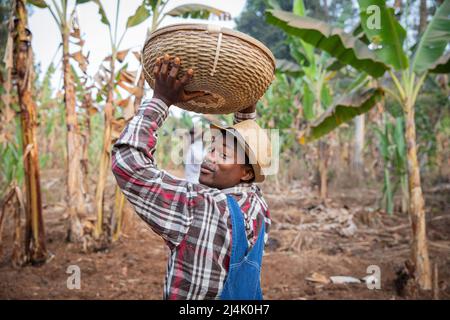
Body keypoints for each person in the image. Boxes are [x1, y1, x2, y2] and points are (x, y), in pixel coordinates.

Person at [111, 54, 272, 300]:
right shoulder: (257, 204)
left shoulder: (200, 206)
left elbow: (128, 162)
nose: (209, 158)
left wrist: (161, 100)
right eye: (212, 148)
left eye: (224, 155)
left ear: (246, 173)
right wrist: (245, 108)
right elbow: (249, 155)